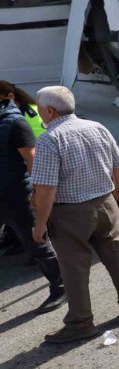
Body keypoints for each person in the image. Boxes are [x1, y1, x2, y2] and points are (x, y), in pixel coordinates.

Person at [31, 86, 119, 344]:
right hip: (105, 204)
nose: (38, 111)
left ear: (49, 110)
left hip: (70, 213)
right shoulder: (96, 127)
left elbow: (46, 190)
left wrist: (39, 225)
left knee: (74, 268)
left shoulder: (50, 139)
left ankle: (81, 323)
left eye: (39, 107)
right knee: (116, 254)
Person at [0, 96, 65, 314]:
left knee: (36, 242)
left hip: (15, 194)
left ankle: (61, 286)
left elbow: (32, 160)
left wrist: (37, 193)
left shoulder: (14, 123)